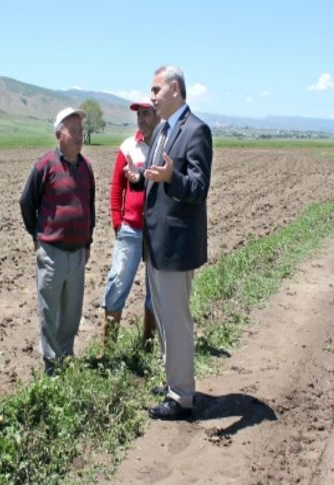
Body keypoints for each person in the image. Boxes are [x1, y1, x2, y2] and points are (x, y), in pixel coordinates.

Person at [125, 66, 213, 420]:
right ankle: (173, 380)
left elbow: (198, 186)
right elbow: (156, 177)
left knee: (176, 321)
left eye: (156, 90)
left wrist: (171, 177)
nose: (152, 97)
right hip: (156, 243)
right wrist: (139, 178)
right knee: (163, 318)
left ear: (175, 89)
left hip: (176, 246)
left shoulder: (196, 131)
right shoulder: (162, 129)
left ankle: (182, 397)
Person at [19, 107, 96, 375]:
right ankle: (51, 367)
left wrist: (88, 243)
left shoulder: (86, 167)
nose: (79, 136)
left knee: (72, 313)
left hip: (77, 253)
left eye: (80, 131)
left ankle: (66, 358)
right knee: (49, 311)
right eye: (73, 131)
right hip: (51, 251)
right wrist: (36, 237)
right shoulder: (45, 166)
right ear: (58, 134)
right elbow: (26, 202)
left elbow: (90, 206)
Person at [100, 100, 159, 349]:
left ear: (158, 115)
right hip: (131, 229)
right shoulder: (128, 147)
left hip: (157, 232)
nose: (141, 119)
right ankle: (109, 346)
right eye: (139, 114)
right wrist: (117, 223)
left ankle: (148, 342)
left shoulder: (163, 146)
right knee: (118, 281)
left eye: (146, 113)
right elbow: (117, 188)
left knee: (155, 289)